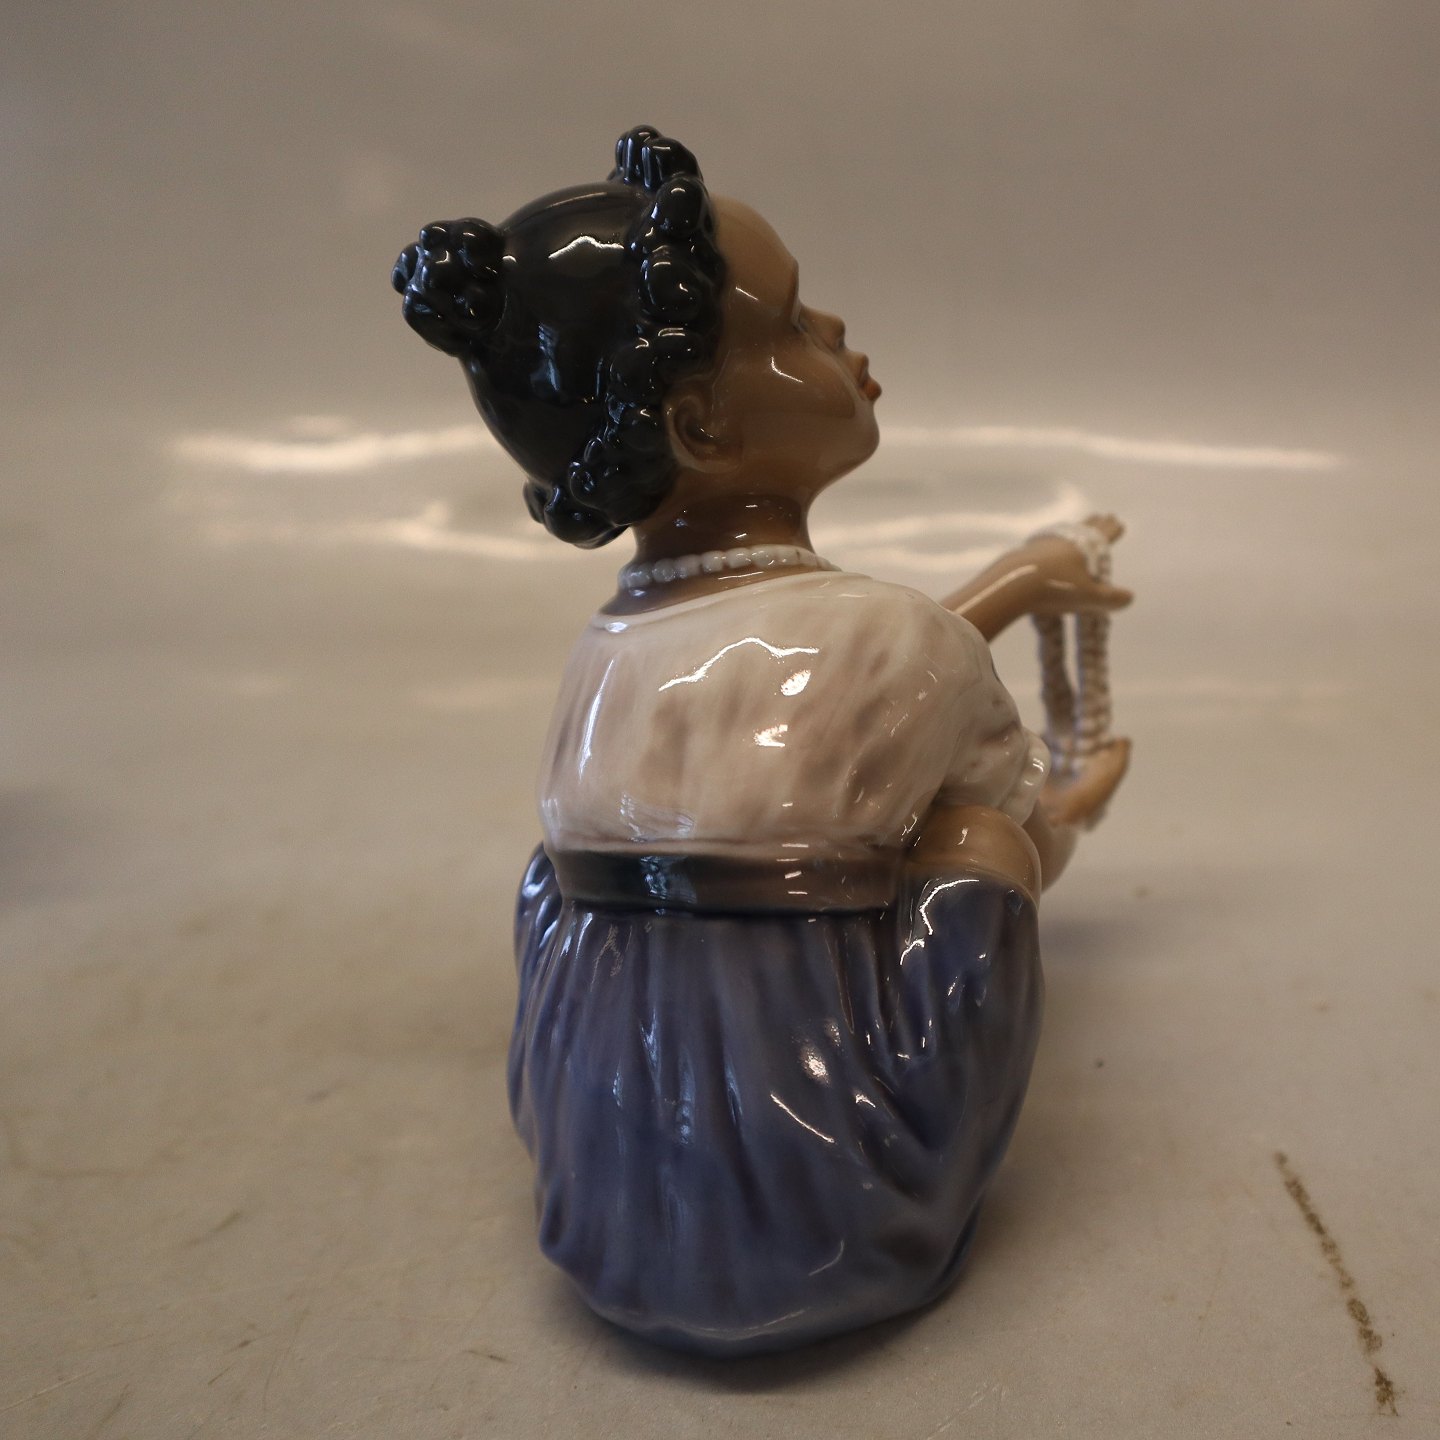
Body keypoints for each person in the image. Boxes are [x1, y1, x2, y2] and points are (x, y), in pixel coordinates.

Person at [393, 126, 1130, 1356]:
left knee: (551, 875)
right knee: (978, 837)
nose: (834, 327)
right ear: (702, 425)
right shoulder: (895, 638)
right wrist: (1072, 801)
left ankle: (599, 1163)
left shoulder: (602, 653)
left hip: (603, 1226)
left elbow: (847, 684)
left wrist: (1012, 584)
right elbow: (955, 750)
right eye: (790, 320)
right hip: (838, 1223)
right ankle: (898, 1192)